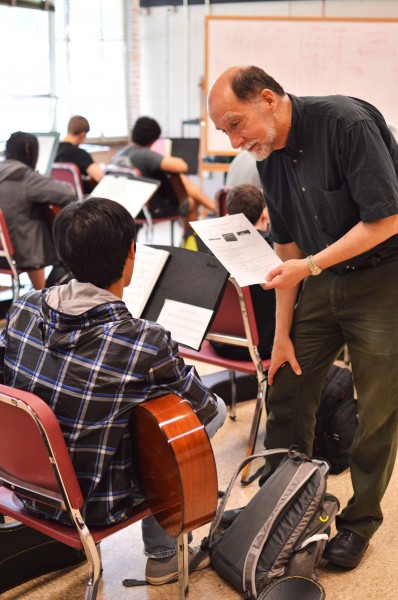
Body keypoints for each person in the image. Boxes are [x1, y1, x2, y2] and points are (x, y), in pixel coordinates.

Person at [208, 65, 398, 570]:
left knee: (377, 408)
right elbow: (286, 247)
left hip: (384, 274)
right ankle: (281, 507)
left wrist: (310, 265)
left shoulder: (345, 123)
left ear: (267, 99)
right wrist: (282, 335)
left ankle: (359, 523)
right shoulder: (268, 153)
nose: (233, 140)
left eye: (234, 124)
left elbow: (386, 218)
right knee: (286, 384)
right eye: (224, 132)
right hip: (318, 275)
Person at [0, 196, 226, 585]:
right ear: (131, 254)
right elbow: (207, 411)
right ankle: (164, 554)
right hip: (94, 504)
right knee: (178, 421)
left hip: (30, 487)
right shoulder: (143, 341)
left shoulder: (22, 308)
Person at [111, 116, 216, 229]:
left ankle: (216, 209)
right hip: (150, 210)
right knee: (190, 201)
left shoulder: (118, 156)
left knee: (180, 183)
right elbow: (182, 166)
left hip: (126, 208)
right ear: (153, 140)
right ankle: (193, 237)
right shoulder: (144, 154)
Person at [0, 131, 75, 290]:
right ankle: (42, 295)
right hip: (23, 254)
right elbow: (68, 192)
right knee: (38, 219)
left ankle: (39, 292)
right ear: (29, 151)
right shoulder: (25, 177)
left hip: (4, 253)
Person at [210, 183, 275, 361]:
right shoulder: (275, 254)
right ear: (265, 215)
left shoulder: (211, 252)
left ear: (227, 216)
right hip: (263, 348)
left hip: (220, 344)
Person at [56, 115, 104, 193]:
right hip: (79, 201)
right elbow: (100, 177)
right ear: (83, 135)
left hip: (58, 199)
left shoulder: (53, 150)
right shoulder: (79, 153)